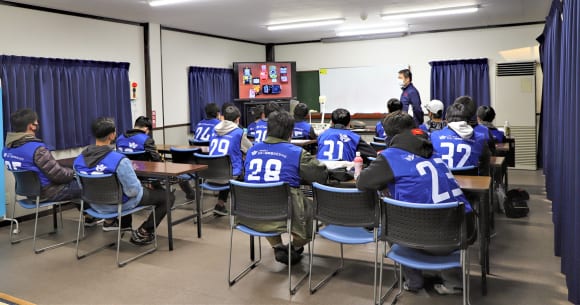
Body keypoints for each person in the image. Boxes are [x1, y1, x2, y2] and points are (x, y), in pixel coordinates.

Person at [356, 112, 475, 294]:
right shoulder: (433, 150)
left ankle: (413, 281)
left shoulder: (391, 156)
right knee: (437, 214)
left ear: (389, 136)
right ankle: (453, 282)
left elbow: (362, 182)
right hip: (462, 232)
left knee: (392, 220)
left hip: (421, 236)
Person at [242, 110, 328, 265]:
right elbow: (320, 174)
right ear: (291, 132)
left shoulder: (252, 150)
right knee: (311, 213)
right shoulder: (296, 153)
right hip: (287, 211)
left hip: (253, 212)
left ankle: (277, 246)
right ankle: (293, 248)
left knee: (267, 207)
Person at [73, 117, 175, 245]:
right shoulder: (119, 160)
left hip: (94, 205)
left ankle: (115, 222)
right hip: (117, 204)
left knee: (121, 190)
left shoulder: (78, 160)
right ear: (112, 135)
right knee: (167, 197)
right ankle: (143, 232)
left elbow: (81, 187)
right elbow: (133, 191)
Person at [3, 109, 97, 226]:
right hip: (48, 192)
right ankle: (108, 220)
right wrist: (75, 173)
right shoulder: (37, 149)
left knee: (77, 184)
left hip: (28, 192)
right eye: (36, 121)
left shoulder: (6, 149)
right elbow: (60, 176)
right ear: (32, 126)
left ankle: (89, 216)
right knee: (88, 184)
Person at [116, 116, 196, 200]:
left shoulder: (120, 138)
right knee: (176, 173)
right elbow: (156, 159)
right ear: (146, 129)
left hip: (126, 173)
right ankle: (190, 194)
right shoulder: (145, 139)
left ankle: (161, 193)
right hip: (144, 174)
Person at [208, 105, 252, 215]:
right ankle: (247, 208)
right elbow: (251, 150)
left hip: (211, 174)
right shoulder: (239, 132)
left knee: (226, 166)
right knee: (244, 169)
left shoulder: (214, 130)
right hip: (230, 174)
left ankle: (220, 205)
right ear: (237, 119)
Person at [430, 102, 490, 175]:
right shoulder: (480, 138)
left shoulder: (433, 136)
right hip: (470, 184)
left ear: (446, 120)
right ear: (467, 120)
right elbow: (485, 168)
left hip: (443, 184)